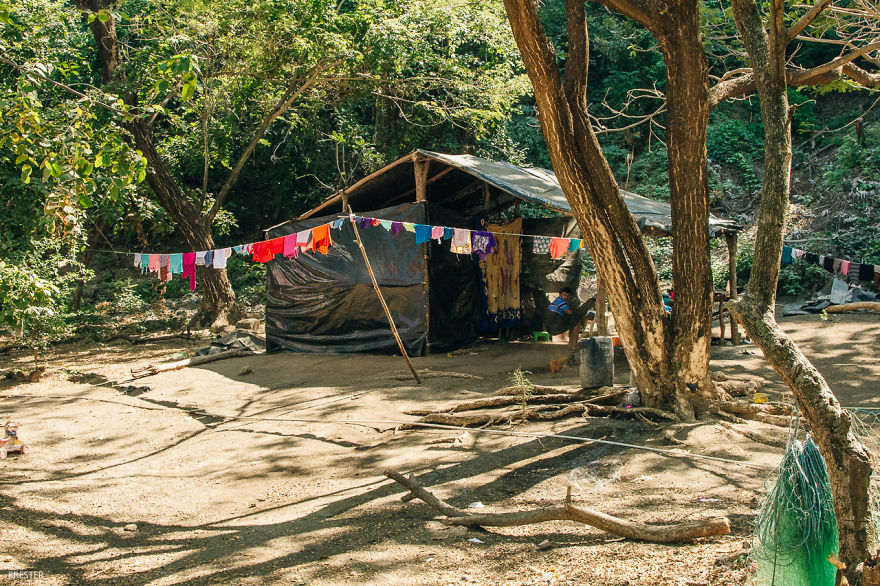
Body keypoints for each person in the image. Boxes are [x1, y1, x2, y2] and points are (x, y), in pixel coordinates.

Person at [544, 287, 596, 356]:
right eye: (564, 295)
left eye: (567, 296)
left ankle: (572, 346)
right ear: (560, 295)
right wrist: (586, 317)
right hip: (553, 323)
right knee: (576, 321)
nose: (566, 297)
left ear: (570, 296)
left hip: (555, 323)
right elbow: (571, 313)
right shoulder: (559, 301)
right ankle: (574, 346)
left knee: (575, 322)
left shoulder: (561, 302)